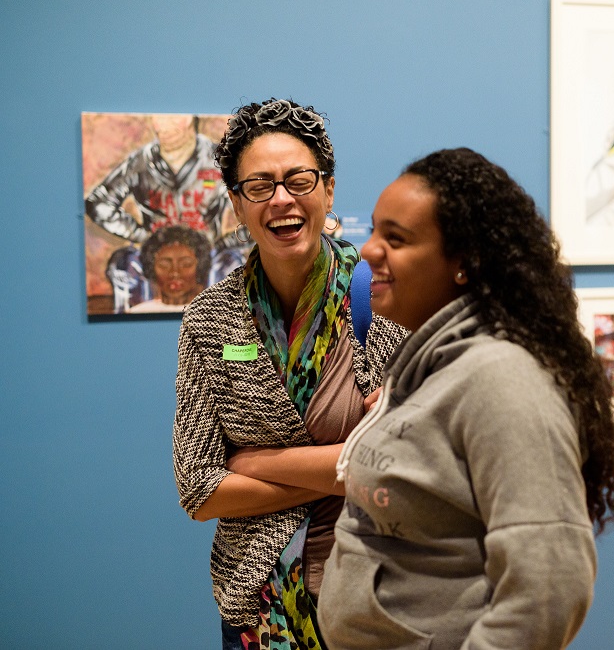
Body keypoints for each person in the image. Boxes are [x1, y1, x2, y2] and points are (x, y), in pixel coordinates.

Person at [317, 148, 614, 648]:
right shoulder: (426, 363)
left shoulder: (502, 380)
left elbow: (551, 587)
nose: (369, 251)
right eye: (375, 231)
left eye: (395, 239)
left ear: (462, 264)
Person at [171, 98, 407, 649]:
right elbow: (200, 491)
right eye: (259, 185)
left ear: (327, 189)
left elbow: (403, 470)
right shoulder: (211, 320)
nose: (281, 199)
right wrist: (343, 465)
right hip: (256, 612)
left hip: (376, 597)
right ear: (236, 202)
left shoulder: (387, 300)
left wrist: (258, 462)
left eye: (298, 179)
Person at [86, 114, 247, 311]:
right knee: (123, 264)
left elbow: (254, 213)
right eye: (159, 119)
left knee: (232, 265)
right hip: (154, 256)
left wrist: (221, 245)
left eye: (174, 120)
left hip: (206, 256)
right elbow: (98, 203)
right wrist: (141, 236)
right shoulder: (141, 162)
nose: (163, 125)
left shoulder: (218, 161)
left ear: (191, 120)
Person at [128, 224, 211, 313]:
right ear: (151, 268)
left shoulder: (215, 315)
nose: (175, 273)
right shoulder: (138, 314)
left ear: (200, 267)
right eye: (164, 265)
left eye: (186, 264)